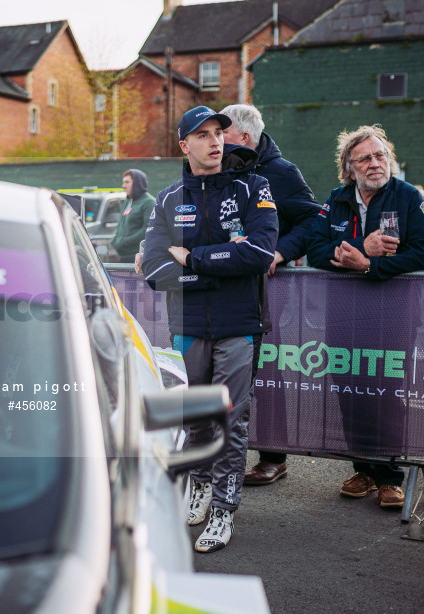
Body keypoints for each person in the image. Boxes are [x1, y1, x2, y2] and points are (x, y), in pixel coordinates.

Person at [143, 106, 278, 552]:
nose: (215, 141)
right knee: (194, 416)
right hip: (186, 324)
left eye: (218, 132)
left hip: (239, 323)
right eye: (202, 135)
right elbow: (156, 270)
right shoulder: (167, 199)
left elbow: (258, 253)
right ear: (184, 145)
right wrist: (219, 262)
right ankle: (199, 485)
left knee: (231, 419)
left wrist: (194, 258)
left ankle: (224, 510)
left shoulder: (253, 186)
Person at [305, 124, 424, 508]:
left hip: (394, 314)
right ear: (349, 167)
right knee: (351, 393)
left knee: (387, 394)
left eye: (381, 156)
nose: (376, 163)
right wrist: (361, 249)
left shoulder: (409, 196)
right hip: (344, 315)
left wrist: (368, 266)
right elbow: (315, 250)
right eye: (366, 158)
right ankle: (362, 469)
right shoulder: (336, 199)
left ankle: (390, 476)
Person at [219, 104, 321, 486]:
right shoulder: (220, 169)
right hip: (226, 287)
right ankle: (222, 453)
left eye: (222, 132)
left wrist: (279, 251)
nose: (215, 139)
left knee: (268, 375)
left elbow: (314, 219)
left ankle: (274, 458)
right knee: (228, 372)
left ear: (243, 137)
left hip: (271, 292)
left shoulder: (281, 172)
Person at [110, 170, 155, 263]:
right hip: (122, 256)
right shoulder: (127, 201)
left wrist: (123, 241)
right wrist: (115, 239)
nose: (123, 186)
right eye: (123, 182)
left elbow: (148, 230)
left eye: (127, 182)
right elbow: (120, 224)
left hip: (137, 258)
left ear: (137, 184)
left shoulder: (149, 202)